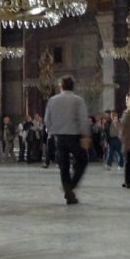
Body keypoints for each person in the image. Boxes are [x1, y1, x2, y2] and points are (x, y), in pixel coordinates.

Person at [44, 75, 90, 204]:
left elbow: (47, 119)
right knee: (83, 159)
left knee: (63, 165)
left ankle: (68, 191)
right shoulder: (78, 100)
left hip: (58, 136)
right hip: (74, 136)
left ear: (61, 87)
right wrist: (85, 134)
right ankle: (71, 186)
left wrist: (51, 131)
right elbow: (82, 118)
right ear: (73, 86)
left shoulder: (52, 100)